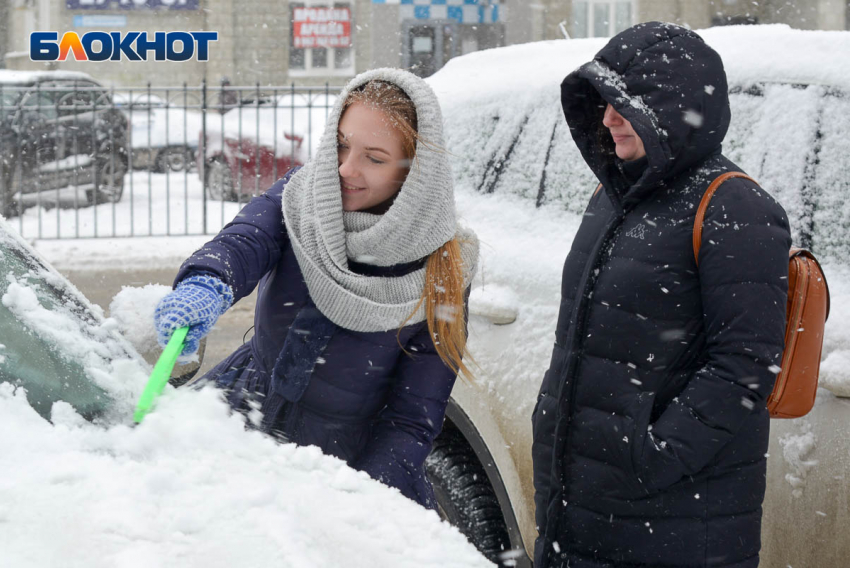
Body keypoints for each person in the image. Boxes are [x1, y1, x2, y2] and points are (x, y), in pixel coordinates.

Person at [154, 68, 479, 509]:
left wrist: (363, 495)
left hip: (339, 460)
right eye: (342, 145)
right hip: (239, 408)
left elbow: (412, 417)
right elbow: (248, 238)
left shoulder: (439, 267)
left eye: (375, 158)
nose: (346, 168)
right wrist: (209, 281)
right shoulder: (303, 194)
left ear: (413, 172)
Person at [532, 22, 791, 568]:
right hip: (580, 509)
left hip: (672, 524)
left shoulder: (733, 206)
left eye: (623, 103)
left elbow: (745, 365)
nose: (607, 118)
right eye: (602, 102)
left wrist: (653, 454)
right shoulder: (613, 194)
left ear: (670, 108)